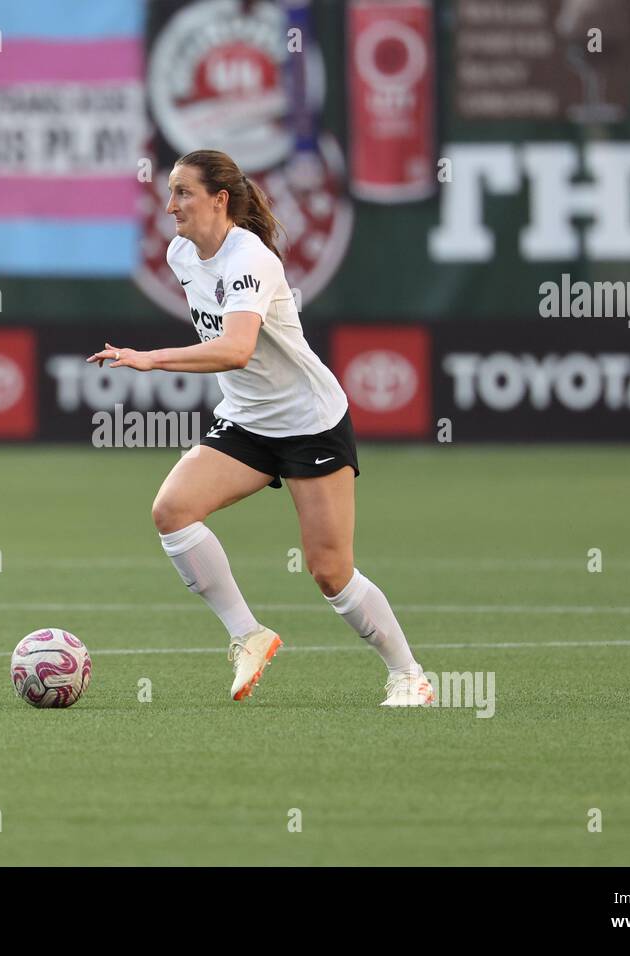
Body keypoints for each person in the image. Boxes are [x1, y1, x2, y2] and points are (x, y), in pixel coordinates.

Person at [87, 149, 434, 707]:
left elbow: (237, 349)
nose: (170, 203)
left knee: (329, 572)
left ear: (220, 200)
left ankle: (408, 674)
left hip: (309, 423)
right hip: (247, 420)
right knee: (172, 511)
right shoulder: (181, 254)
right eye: (170, 191)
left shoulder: (250, 258)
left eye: (183, 192)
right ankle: (248, 634)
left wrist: (152, 359)